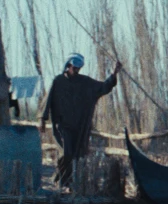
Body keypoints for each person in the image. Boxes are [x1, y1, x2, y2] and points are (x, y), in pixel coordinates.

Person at [38, 53, 119, 188]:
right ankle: (62, 181)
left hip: (79, 126)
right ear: (68, 66)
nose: (76, 71)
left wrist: (114, 73)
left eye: (78, 69)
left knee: (77, 155)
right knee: (66, 152)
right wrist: (42, 118)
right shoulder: (58, 81)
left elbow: (102, 87)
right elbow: (48, 100)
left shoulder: (84, 82)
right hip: (62, 126)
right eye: (74, 68)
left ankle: (68, 182)